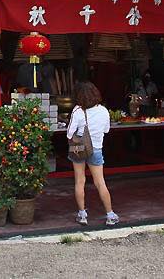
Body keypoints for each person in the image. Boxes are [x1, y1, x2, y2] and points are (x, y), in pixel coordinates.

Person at [67, 81, 118, 226]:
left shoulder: (77, 111)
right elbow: (107, 130)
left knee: (79, 181)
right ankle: (110, 215)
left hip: (78, 149)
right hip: (96, 148)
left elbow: (69, 133)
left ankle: (82, 215)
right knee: (100, 182)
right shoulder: (103, 111)